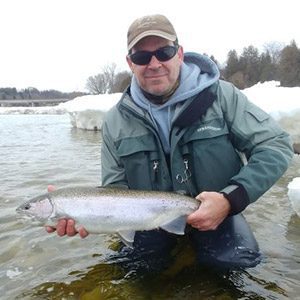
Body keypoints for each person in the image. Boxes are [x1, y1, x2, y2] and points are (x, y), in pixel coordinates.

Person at [47, 14, 294, 269]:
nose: (154, 64)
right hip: (148, 222)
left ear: (179, 53)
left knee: (236, 264)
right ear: (130, 63)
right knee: (131, 271)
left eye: (164, 52)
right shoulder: (116, 122)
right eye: (142, 57)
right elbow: (115, 190)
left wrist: (229, 200)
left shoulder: (222, 97)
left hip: (221, 214)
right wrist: (78, 210)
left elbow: (275, 145)